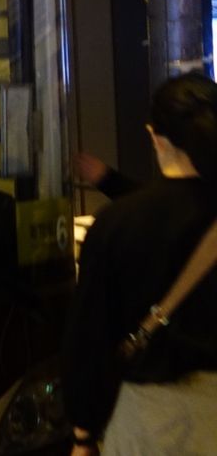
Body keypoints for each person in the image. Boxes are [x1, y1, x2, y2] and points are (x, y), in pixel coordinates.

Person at [62, 73, 217, 456]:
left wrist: (83, 435)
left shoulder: (117, 225)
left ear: (155, 136)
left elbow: (89, 339)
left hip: (149, 419)